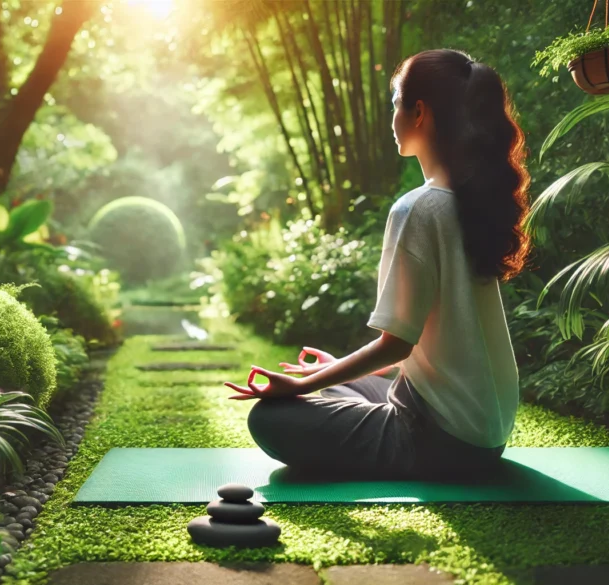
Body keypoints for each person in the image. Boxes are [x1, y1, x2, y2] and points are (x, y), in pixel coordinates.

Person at [224, 49, 531, 480]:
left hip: (439, 440)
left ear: (418, 112)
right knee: (334, 379)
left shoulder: (418, 209)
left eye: (395, 104)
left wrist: (298, 387)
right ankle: (339, 388)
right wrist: (331, 371)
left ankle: (334, 398)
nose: (392, 118)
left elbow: (396, 344)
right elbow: (434, 346)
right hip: (484, 433)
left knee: (270, 418)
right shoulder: (467, 201)